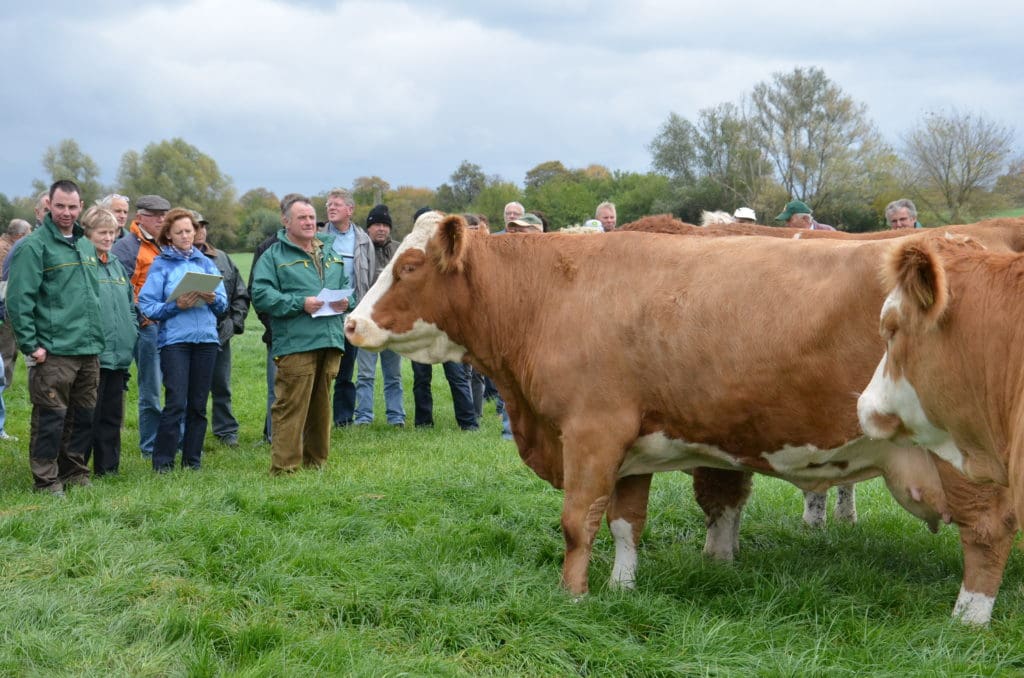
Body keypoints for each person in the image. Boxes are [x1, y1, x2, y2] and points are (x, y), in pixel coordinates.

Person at [7, 179, 104, 495]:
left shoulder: (86, 245)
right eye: (60, 206)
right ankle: (47, 480)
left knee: (83, 417)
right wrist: (30, 345)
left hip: (88, 348)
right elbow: (19, 300)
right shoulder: (34, 246)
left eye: (73, 206)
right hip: (54, 351)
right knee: (51, 418)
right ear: (48, 205)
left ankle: (74, 473)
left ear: (81, 206)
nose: (66, 212)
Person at [251, 196, 353, 474]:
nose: (309, 222)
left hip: (330, 339)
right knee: (291, 406)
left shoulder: (330, 252)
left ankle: (316, 464)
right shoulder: (274, 255)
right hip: (296, 342)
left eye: (311, 217)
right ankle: (284, 469)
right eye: (302, 218)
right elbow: (260, 295)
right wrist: (300, 303)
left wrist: (348, 302)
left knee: (322, 408)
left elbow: (345, 285)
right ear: (286, 221)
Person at [138, 208, 227, 472]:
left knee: (199, 405)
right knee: (176, 402)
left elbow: (223, 305)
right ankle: (163, 463)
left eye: (189, 230)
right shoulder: (161, 265)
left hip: (207, 341)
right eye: (180, 232)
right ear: (169, 236)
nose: (186, 235)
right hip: (175, 342)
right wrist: (176, 305)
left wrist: (214, 299)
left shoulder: (206, 264)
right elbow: (147, 305)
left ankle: (192, 461)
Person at [111, 194, 171, 458]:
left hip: (169, 323)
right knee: (150, 390)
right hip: (145, 327)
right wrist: (142, 316)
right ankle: (150, 446)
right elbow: (121, 289)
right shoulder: (126, 247)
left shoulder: (166, 245)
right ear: (140, 217)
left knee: (172, 387)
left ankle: (169, 440)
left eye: (164, 215)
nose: (161, 220)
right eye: (155, 215)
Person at [79, 206, 137, 476]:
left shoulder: (115, 265)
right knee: (87, 414)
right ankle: (78, 468)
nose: (108, 238)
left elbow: (129, 304)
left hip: (119, 353)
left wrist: (132, 330)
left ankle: (108, 469)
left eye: (112, 233)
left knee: (112, 415)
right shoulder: (81, 263)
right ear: (87, 233)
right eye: (102, 232)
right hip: (93, 353)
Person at [193, 212, 249, 447]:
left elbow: (241, 294)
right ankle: (188, 432)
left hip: (220, 333)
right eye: (195, 226)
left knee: (221, 385)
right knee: (188, 388)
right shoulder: (174, 259)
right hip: (189, 333)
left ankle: (226, 431)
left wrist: (234, 323)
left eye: (203, 226)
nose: (200, 231)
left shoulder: (223, 258)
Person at [320, 188, 372, 427]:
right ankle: (319, 417)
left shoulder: (362, 240)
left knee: (346, 370)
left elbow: (369, 279)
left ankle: (342, 419)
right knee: (321, 369)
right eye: (329, 204)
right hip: (323, 314)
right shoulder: (318, 238)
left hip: (352, 312)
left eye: (337, 204)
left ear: (350, 210)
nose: (331, 208)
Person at [353, 204, 405, 427]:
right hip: (367, 323)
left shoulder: (400, 250)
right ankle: (364, 417)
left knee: (393, 375)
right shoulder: (361, 249)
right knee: (365, 375)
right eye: (376, 225)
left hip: (392, 324)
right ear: (368, 228)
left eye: (385, 225)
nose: (381, 229)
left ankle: (396, 417)